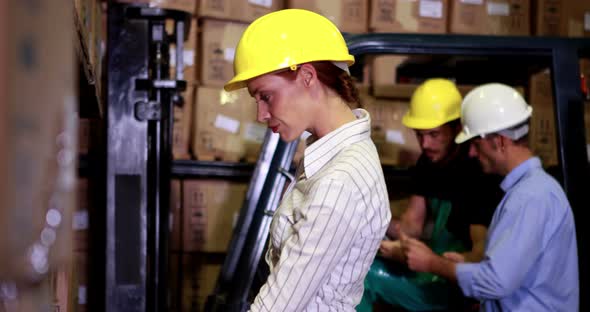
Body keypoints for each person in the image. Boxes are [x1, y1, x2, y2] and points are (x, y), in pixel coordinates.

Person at [224, 9, 391, 311]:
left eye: (266, 96)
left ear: (307, 76)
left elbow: (278, 305)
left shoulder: (340, 180)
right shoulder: (331, 159)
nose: (261, 114)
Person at [401, 83, 579, 311]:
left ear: (500, 141)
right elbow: (509, 270)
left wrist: (434, 264)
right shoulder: (526, 192)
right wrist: (465, 266)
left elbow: (496, 281)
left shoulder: (531, 197)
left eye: (476, 143)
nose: (472, 153)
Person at [358, 79, 504, 312]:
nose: (425, 144)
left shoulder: (477, 171)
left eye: (434, 134)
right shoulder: (427, 163)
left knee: (363, 279)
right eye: (420, 135)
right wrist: (373, 222)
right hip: (428, 267)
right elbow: (411, 225)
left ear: (457, 127)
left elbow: (480, 257)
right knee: (355, 265)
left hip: (454, 284)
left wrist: (430, 261)